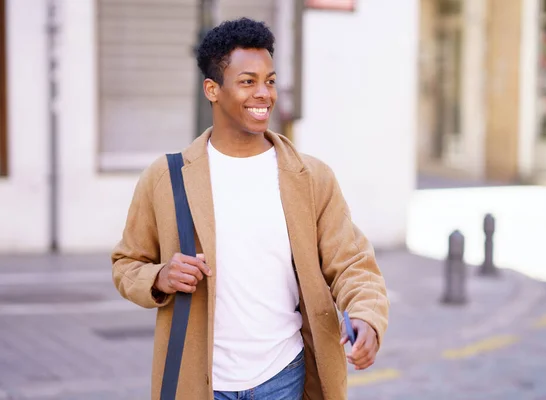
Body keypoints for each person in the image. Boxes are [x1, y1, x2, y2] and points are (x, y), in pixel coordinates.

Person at [111, 17, 389, 400]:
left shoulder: (311, 178)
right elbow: (127, 263)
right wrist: (161, 276)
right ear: (212, 89)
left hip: (285, 377)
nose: (264, 94)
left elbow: (353, 263)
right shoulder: (166, 177)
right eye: (248, 82)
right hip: (202, 382)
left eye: (270, 81)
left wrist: (367, 316)